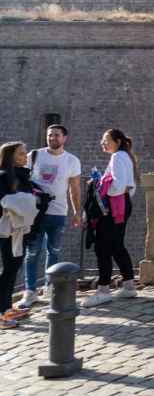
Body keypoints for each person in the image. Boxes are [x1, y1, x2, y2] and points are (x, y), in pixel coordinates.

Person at [16, 124, 81, 309]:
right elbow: (21, 179)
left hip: (58, 212)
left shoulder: (72, 161)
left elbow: (74, 189)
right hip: (34, 212)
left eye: (57, 135)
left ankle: (50, 287)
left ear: (64, 138)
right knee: (32, 252)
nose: (53, 138)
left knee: (54, 250)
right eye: (50, 135)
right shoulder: (34, 156)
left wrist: (76, 212)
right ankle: (30, 291)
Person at [81, 129, 140, 308]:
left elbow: (117, 186)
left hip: (112, 208)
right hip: (122, 205)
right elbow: (130, 186)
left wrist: (100, 184)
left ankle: (103, 290)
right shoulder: (126, 157)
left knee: (103, 247)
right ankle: (129, 285)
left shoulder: (118, 157)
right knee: (117, 245)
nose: (102, 143)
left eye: (106, 139)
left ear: (118, 141)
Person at [0, 142, 37, 328]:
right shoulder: (4, 176)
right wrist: (29, 201)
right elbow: (5, 201)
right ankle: (1, 313)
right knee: (8, 270)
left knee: (13, 268)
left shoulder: (21, 174)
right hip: (8, 230)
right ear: (11, 156)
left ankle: (6, 307)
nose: (25, 156)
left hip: (19, 229)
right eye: (22, 153)